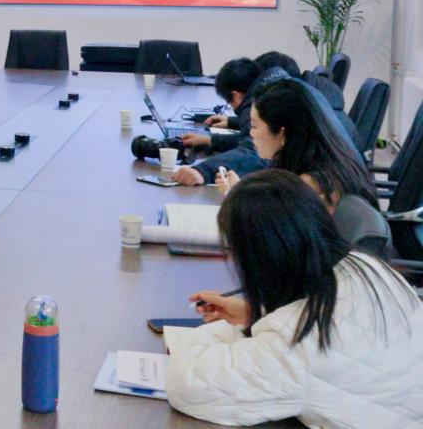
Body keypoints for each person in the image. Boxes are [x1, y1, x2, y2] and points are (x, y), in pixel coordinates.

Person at [166, 171, 423, 427]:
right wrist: (256, 313)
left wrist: (207, 335)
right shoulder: (365, 265)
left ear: (261, 257)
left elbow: (186, 385)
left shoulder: (297, 345)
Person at [233, 78, 377, 206]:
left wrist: (235, 198)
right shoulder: (312, 159)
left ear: (283, 132)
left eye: (254, 126)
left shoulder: (312, 185)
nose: (251, 133)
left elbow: (277, 225)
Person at [173, 52, 298, 186]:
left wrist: (203, 171)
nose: (252, 131)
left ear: (236, 95)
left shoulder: (261, 102)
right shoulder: (283, 87)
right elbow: (252, 138)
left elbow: (254, 151)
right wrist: (225, 127)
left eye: (229, 103)